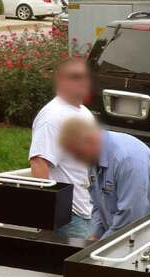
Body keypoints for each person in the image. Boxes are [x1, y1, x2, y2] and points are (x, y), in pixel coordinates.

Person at [58, 118, 150, 240]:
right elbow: (98, 206)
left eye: (78, 154)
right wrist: (94, 235)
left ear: (89, 141)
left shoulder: (128, 159)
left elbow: (130, 219)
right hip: (135, 233)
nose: (77, 160)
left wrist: (99, 247)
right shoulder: (93, 156)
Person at [29, 58, 95, 239]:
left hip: (85, 209)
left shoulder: (83, 112)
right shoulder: (53, 117)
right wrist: (46, 213)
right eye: (75, 77)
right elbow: (39, 162)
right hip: (68, 216)